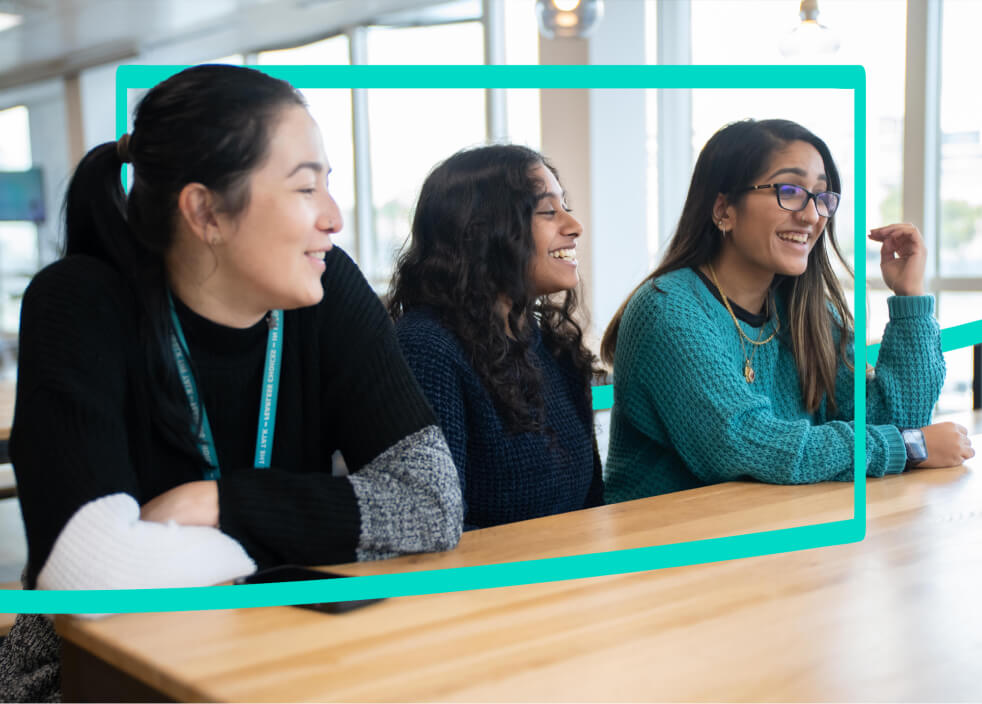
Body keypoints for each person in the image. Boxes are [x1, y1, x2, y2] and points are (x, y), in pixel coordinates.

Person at [0, 64, 461, 700]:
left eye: (329, 185)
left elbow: (433, 502)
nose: (333, 217)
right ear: (205, 211)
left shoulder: (327, 291)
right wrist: (281, 544)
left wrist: (220, 507)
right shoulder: (80, 301)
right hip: (98, 674)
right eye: (306, 189)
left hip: (281, 649)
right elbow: (93, 577)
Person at [600, 118, 974, 503]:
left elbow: (898, 421)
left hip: (771, 537)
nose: (812, 216)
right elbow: (745, 444)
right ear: (723, 209)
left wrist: (909, 298)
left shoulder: (803, 312)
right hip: (667, 551)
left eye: (822, 197)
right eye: (790, 190)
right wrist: (910, 448)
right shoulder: (668, 310)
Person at [387, 145, 603, 529]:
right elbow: (438, 528)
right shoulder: (426, 349)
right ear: (481, 233)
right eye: (548, 211)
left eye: (565, 206)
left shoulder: (552, 346)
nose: (574, 226)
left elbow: (590, 506)